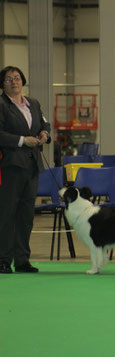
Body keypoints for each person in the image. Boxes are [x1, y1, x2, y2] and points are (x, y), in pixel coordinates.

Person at [0, 65, 51, 274]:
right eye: (9, 79)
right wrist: (22, 140)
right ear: (2, 84)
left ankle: (22, 260)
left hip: (31, 166)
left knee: (26, 216)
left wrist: (45, 134)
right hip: (10, 166)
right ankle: (3, 260)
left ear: (23, 80)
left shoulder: (34, 103)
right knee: (7, 214)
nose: (14, 81)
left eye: (17, 77)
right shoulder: (2, 105)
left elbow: (45, 124)